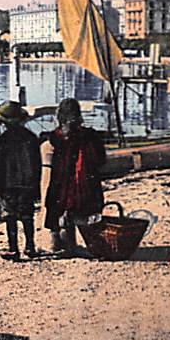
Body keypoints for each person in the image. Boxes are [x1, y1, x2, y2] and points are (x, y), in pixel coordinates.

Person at [42, 98, 106, 257]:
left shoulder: (53, 138)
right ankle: (76, 243)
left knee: (57, 206)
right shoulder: (90, 136)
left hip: (60, 181)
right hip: (84, 182)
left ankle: (58, 242)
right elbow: (101, 159)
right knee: (80, 208)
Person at [0, 100, 42, 261]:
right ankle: (30, 246)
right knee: (27, 216)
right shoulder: (31, 138)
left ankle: (14, 249)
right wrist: (36, 184)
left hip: (8, 184)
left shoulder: (2, 140)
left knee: (10, 216)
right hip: (28, 183)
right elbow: (37, 164)